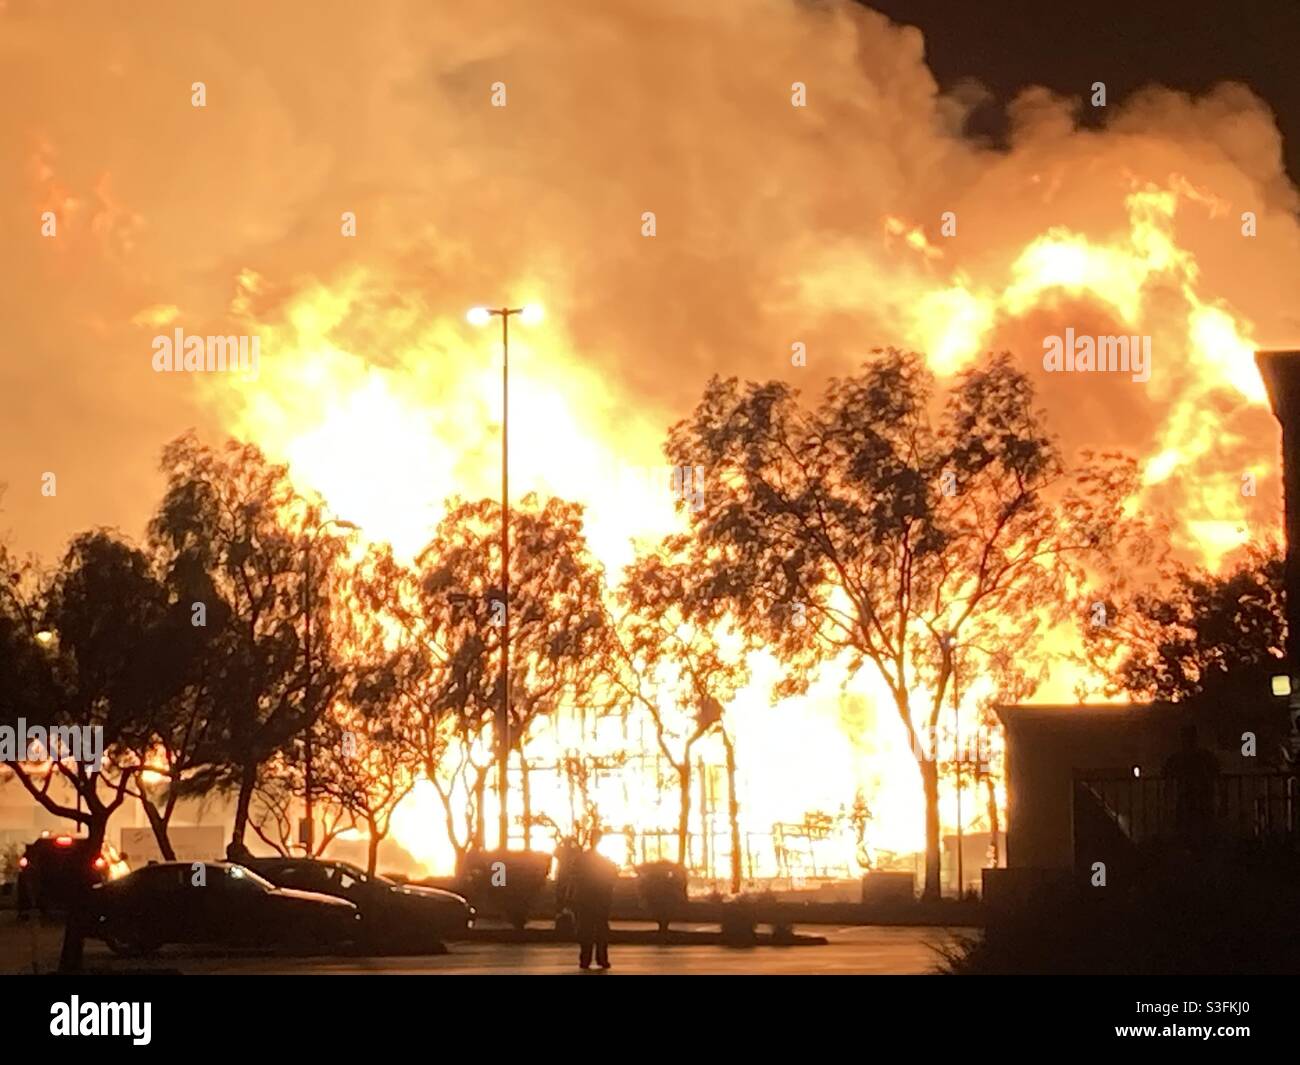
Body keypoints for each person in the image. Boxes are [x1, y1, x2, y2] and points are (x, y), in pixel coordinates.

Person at [1162, 723, 1220, 840]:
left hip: (1187, 801)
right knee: (1203, 834)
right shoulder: (1206, 756)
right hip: (1202, 801)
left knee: (1186, 835)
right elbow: (1216, 775)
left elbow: (1166, 778)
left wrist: (1167, 803)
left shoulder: (1176, 758)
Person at [572, 828, 617, 970]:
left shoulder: (582, 859)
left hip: (586, 899)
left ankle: (585, 959)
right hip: (599, 899)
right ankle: (601, 959)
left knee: (586, 929)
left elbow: (574, 877)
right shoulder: (604, 861)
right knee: (600, 930)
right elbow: (610, 879)